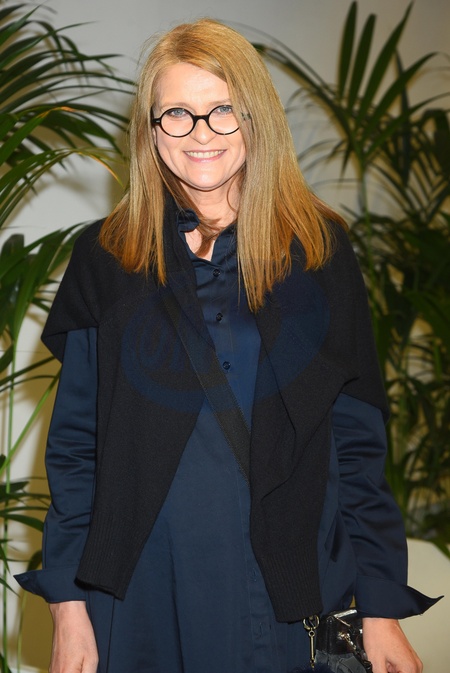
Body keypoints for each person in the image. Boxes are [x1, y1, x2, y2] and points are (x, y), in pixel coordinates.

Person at [16, 18, 439, 673]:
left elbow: (357, 445)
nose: (201, 133)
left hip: (277, 588)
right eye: (177, 114)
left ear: (255, 118)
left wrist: (380, 610)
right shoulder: (105, 256)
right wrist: (69, 608)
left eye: (222, 110)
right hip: (136, 595)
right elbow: (74, 452)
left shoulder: (320, 251)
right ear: (150, 129)